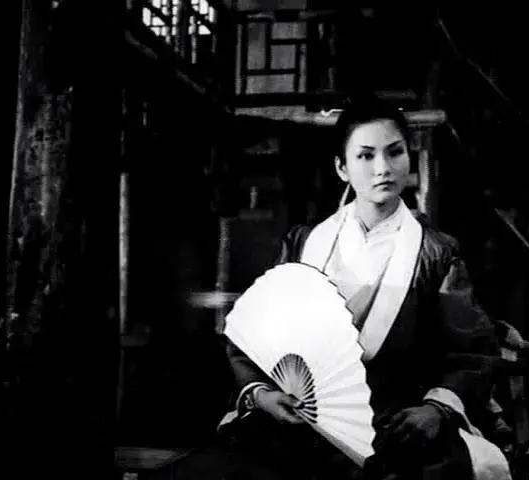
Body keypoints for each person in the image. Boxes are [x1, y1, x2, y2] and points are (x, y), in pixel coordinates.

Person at [218, 94, 511, 480]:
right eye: (365, 156)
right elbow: (257, 335)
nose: (383, 168)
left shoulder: (435, 253)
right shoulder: (304, 244)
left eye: (395, 152)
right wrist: (263, 394)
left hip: (396, 423)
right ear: (342, 167)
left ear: (409, 158)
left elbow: (470, 350)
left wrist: (435, 409)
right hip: (301, 419)